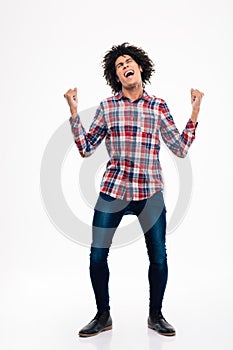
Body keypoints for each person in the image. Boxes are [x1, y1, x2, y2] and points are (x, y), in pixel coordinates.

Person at [64, 43, 204, 338]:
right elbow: (86, 149)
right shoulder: (107, 107)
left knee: (159, 257)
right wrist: (74, 112)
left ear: (140, 67)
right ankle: (103, 316)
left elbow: (179, 148)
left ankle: (156, 315)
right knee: (97, 256)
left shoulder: (158, 106)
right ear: (117, 77)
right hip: (113, 190)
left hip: (150, 192)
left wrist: (194, 113)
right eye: (118, 65)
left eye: (129, 61)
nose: (124, 65)